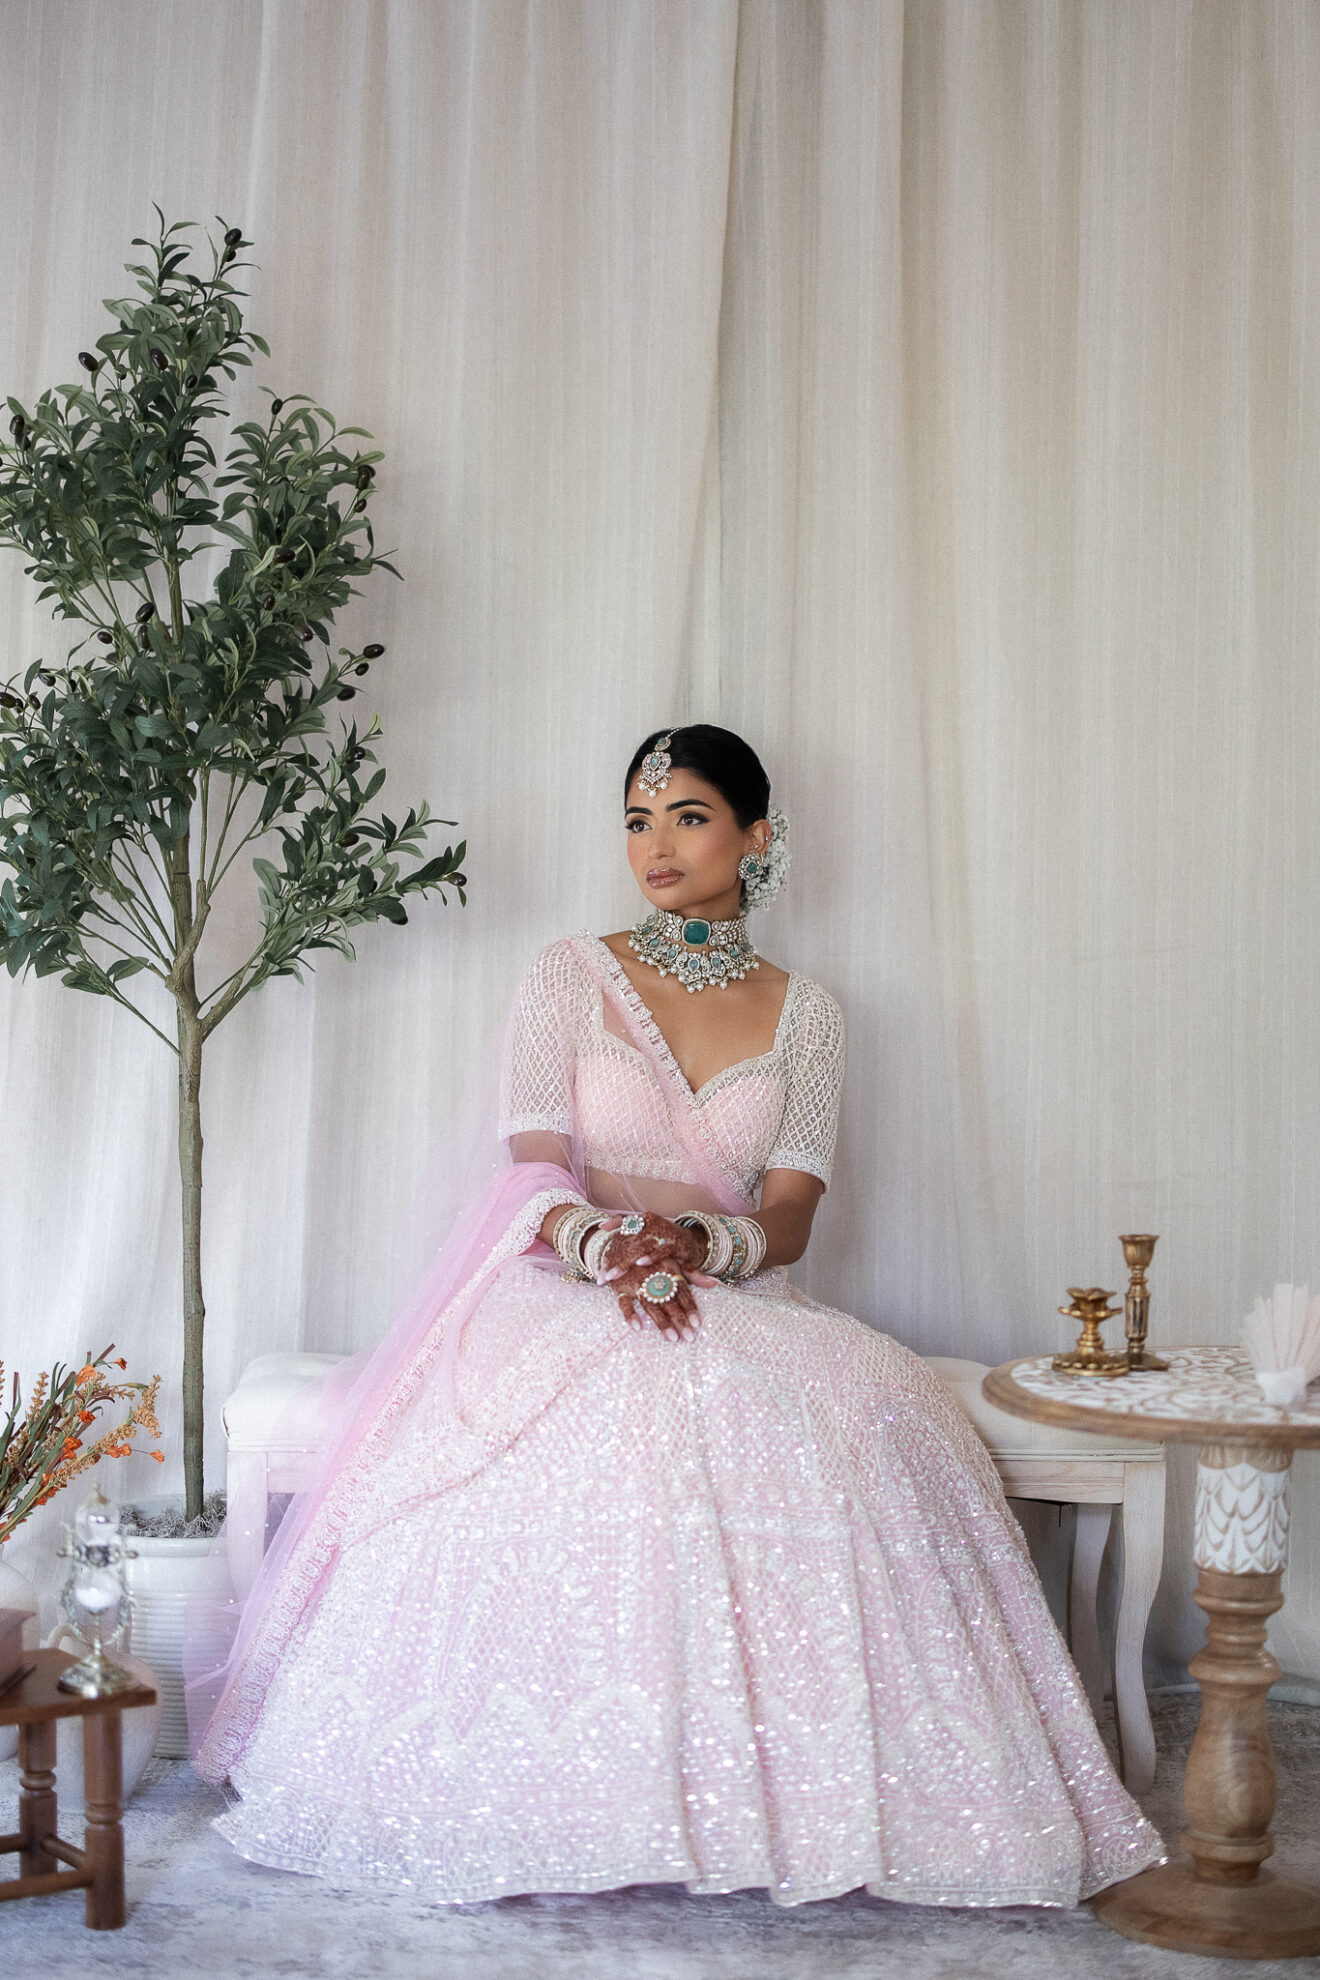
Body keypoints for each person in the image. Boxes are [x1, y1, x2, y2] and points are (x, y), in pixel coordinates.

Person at [193, 724, 1164, 1909]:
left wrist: (705, 1245)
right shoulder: (569, 975)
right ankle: (572, 1789)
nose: (656, 844)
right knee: (611, 1406)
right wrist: (605, 1246)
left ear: (758, 837)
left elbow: (792, 1212)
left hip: (733, 1289)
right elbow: (532, 1162)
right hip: (565, 1286)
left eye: (689, 816)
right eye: (638, 820)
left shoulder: (810, 1013)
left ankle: (791, 1795)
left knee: (866, 1405)